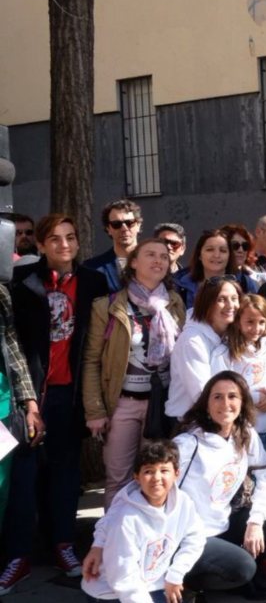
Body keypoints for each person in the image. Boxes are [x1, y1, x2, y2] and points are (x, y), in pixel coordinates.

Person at [87, 372, 266, 593]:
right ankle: (186, 582)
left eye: (232, 396)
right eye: (217, 397)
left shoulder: (246, 435)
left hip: (223, 523)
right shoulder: (188, 444)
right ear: (206, 405)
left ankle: (219, 565)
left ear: (243, 402)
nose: (225, 403)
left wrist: (255, 522)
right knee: (244, 568)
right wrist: (100, 542)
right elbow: (134, 492)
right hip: (187, 535)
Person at [1, 214, 108, 590]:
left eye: (71, 237)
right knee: (23, 478)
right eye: (56, 239)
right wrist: (27, 401)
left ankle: (63, 545)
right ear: (42, 245)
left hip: (70, 396)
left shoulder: (94, 283)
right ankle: (18, 556)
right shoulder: (21, 284)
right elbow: (15, 346)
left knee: (66, 475)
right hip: (29, 396)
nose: (65, 245)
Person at [82, 238, 186, 508]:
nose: (158, 261)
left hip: (161, 404)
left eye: (164, 256)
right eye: (150, 255)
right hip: (123, 405)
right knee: (118, 479)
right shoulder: (108, 306)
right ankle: (113, 542)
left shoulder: (174, 303)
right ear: (134, 263)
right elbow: (92, 361)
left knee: (155, 478)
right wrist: (95, 411)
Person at [80, 440, 205, 603]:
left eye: (164, 470)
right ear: (136, 477)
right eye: (148, 471)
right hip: (112, 592)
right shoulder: (126, 518)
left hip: (151, 584)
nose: (157, 478)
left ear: (176, 474)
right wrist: (98, 544)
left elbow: (195, 537)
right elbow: (122, 577)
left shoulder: (183, 502)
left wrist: (176, 574)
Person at [210, 295, 266, 462]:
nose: (256, 328)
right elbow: (218, 392)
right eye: (250, 322)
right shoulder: (224, 353)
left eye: (261, 322)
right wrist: (253, 398)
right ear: (238, 321)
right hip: (241, 431)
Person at [165, 277, 241, 421]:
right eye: (221, 299)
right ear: (207, 304)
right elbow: (201, 393)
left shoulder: (233, 334)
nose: (230, 305)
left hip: (224, 417)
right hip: (191, 423)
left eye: (234, 298)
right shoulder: (192, 340)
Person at [0, 284, 35, 540]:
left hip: (2, 400)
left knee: (1, 485)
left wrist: (29, 400)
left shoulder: (1, 293)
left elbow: (13, 348)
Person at [174, 230, 257, 310]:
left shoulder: (245, 284)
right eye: (210, 250)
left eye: (223, 251)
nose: (216, 255)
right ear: (199, 255)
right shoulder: (180, 286)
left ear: (229, 256)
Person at [85, 199, 143, 292]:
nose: (124, 228)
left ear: (138, 225)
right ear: (108, 229)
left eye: (129, 223)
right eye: (116, 224)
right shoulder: (92, 268)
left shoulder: (156, 262)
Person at [222, 223, 264, 287]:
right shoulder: (211, 276)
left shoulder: (250, 282)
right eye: (235, 245)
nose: (241, 250)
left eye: (245, 246)